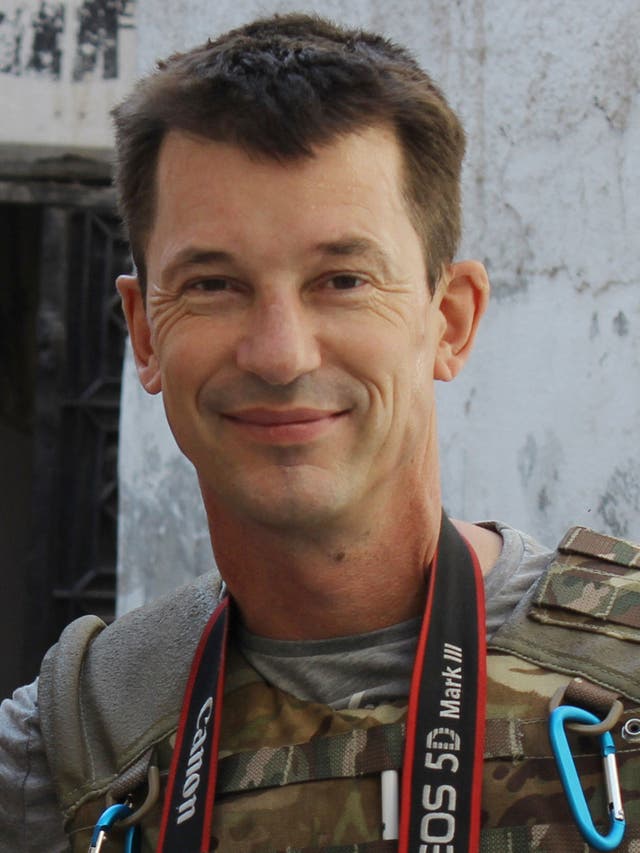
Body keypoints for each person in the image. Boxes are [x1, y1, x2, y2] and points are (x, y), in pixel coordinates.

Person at [2, 13, 640, 853]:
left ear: (449, 321)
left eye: (342, 279)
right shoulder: (69, 746)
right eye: (214, 283)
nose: (279, 353)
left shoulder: (621, 680)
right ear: (146, 333)